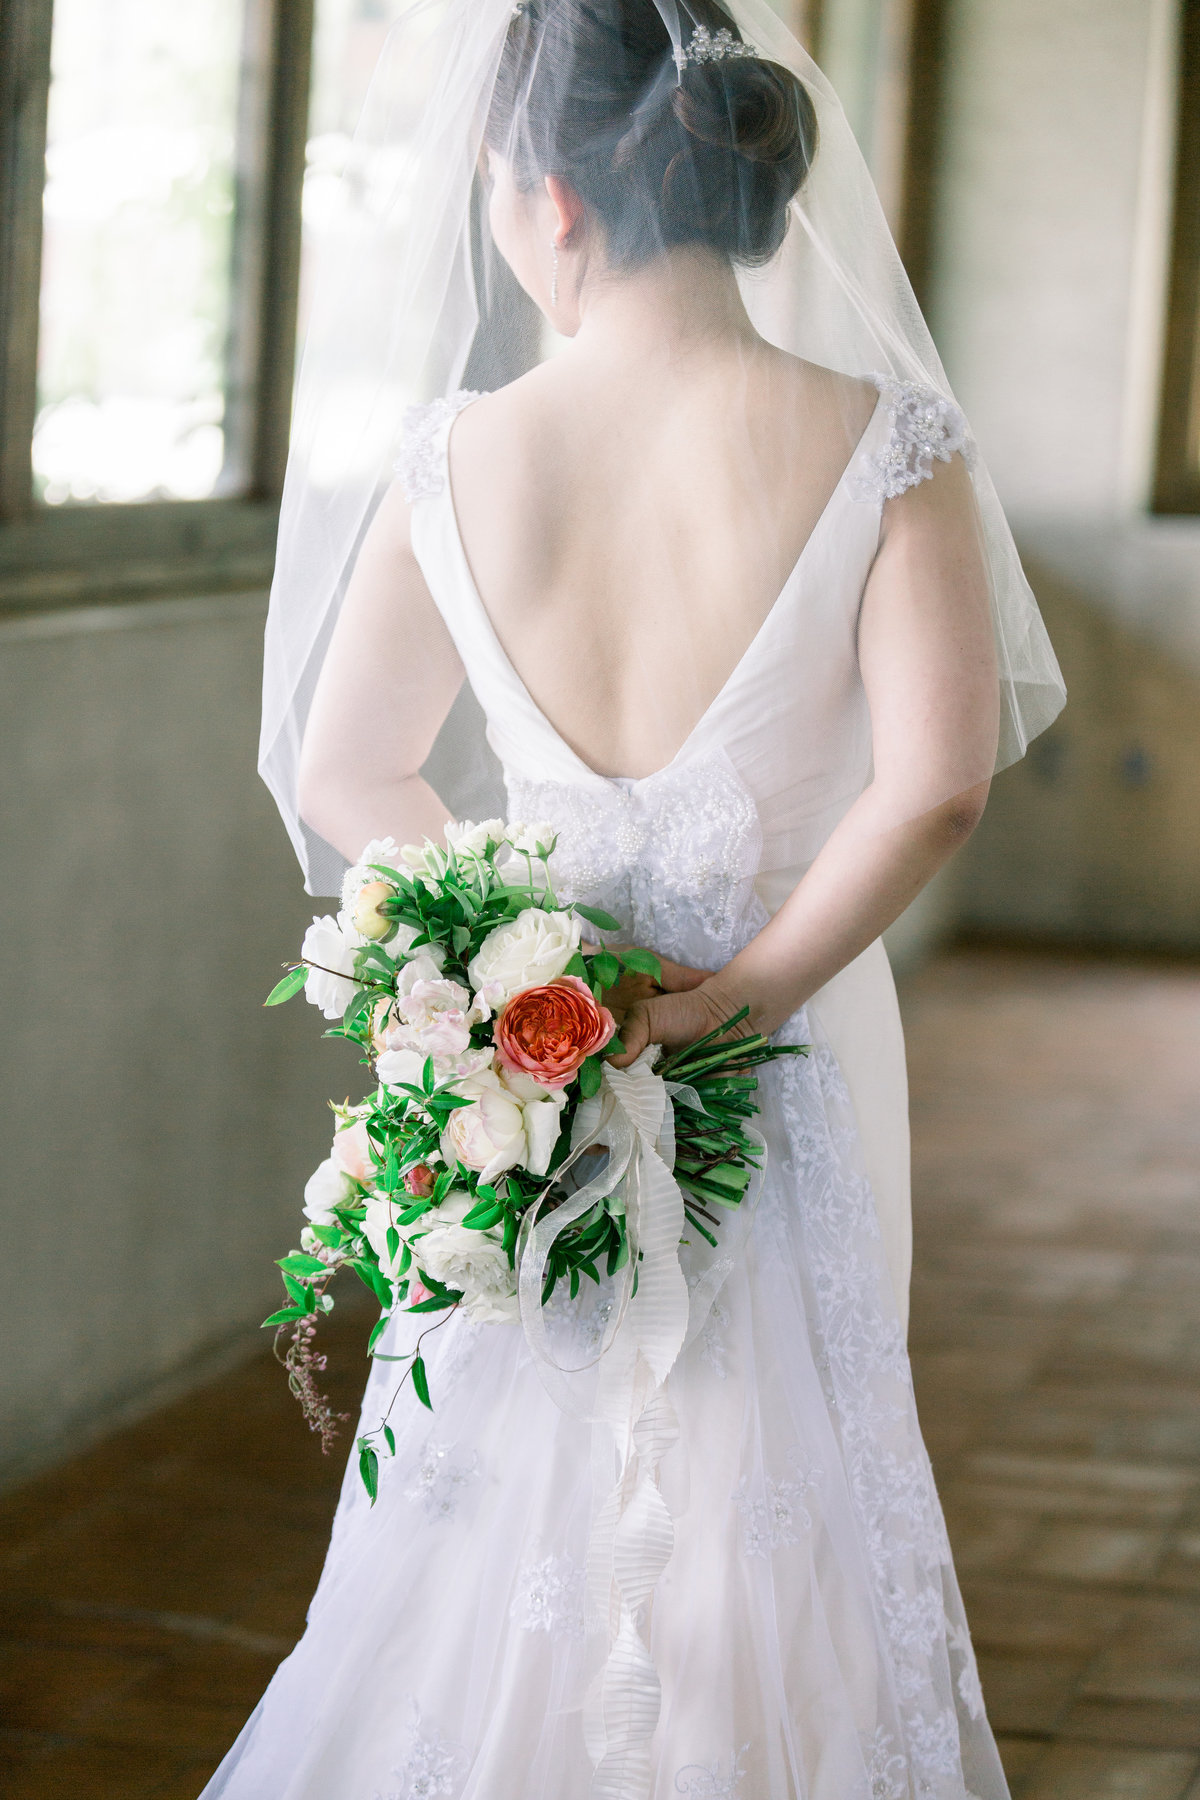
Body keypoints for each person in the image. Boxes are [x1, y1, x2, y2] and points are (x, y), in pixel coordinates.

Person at [207, 2, 1065, 1795]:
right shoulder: (883, 434)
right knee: (788, 1472)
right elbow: (941, 779)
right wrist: (739, 993)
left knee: (503, 1477)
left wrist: (515, 960)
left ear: (557, 203)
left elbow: (341, 768)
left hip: (540, 1070)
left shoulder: (461, 455)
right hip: (788, 1055)